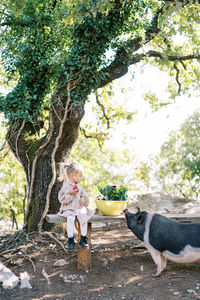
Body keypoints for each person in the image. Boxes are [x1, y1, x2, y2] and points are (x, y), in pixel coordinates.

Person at [57, 162, 93, 250]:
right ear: (72, 176)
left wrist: (83, 199)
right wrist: (70, 193)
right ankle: (70, 240)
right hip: (69, 208)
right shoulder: (65, 186)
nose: (81, 177)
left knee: (84, 218)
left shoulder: (80, 187)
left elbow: (85, 197)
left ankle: (83, 239)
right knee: (70, 218)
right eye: (80, 175)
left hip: (79, 209)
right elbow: (61, 199)